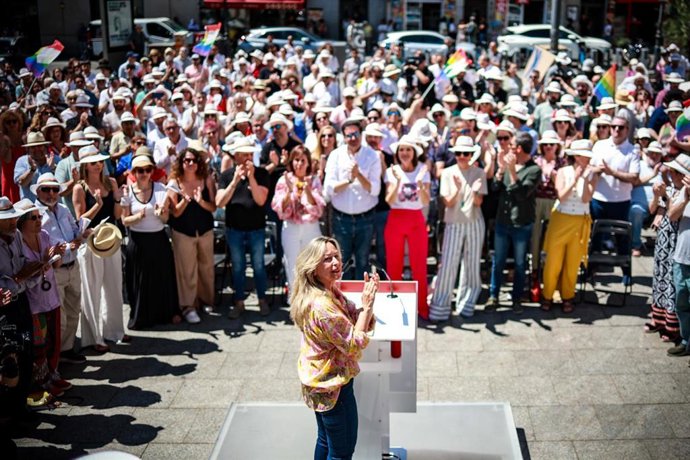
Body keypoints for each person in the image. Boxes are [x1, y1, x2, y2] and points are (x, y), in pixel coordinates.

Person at [290, 236, 378, 460]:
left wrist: (365, 310)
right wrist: (367, 307)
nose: (336, 263)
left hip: (320, 381)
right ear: (313, 267)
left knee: (325, 440)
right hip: (333, 386)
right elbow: (353, 345)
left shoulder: (325, 291)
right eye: (327, 259)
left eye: (336, 256)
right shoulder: (322, 306)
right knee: (342, 452)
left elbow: (351, 317)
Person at [72, 145, 125, 353]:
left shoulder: (110, 182)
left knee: (114, 286)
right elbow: (80, 221)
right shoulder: (79, 188)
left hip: (111, 239)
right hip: (91, 243)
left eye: (100, 161)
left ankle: (115, 331)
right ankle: (95, 337)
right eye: (94, 162)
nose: (99, 165)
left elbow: (118, 214)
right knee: (92, 290)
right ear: (86, 165)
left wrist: (118, 198)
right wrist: (97, 204)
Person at [429, 136, 487, 321]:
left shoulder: (479, 173)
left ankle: (467, 304)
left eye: (466, 153)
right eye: (459, 153)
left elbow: (478, 203)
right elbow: (447, 201)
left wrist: (475, 190)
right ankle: (440, 306)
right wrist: (458, 188)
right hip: (453, 222)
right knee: (448, 264)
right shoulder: (447, 173)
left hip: (474, 222)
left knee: (471, 263)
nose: (462, 156)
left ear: (471, 154)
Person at [16, 199, 70, 399]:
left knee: (53, 340)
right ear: (22, 221)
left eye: (39, 216)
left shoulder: (45, 236)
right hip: (34, 302)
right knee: (38, 345)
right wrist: (44, 262)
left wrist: (58, 255)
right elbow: (22, 273)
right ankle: (41, 382)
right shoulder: (18, 243)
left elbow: (55, 266)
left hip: (51, 297)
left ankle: (52, 375)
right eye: (34, 218)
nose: (39, 220)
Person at [121, 155, 180, 329]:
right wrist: (139, 216)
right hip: (138, 241)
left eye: (148, 170)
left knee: (161, 278)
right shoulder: (128, 191)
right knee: (139, 281)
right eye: (140, 170)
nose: (144, 173)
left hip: (158, 239)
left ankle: (166, 314)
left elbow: (165, 219)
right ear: (134, 173)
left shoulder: (161, 189)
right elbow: (124, 220)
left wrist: (161, 212)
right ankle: (140, 316)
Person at [0, 197, 46, 421]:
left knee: (27, 349)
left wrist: (33, 271)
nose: (12, 223)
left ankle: (21, 407)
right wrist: (18, 279)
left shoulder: (16, 235)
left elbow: (21, 271)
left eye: (13, 218)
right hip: (3, 310)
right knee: (10, 361)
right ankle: (9, 411)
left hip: (20, 303)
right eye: (6, 220)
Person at [33, 173, 86, 364]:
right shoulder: (34, 213)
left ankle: (67, 349)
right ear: (38, 192)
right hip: (55, 270)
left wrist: (80, 236)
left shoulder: (63, 209)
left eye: (55, 189)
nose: (51, 193)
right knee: (59, 316)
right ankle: (54, 357)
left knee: (73, 310)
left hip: (72, 265)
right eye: (46, 189)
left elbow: (74, 231)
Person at [541, 140, 599, 313]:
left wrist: (586, 179)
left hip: (579, 221)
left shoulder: (592, 175)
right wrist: (574, 179)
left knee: (572, 263)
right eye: (584, 156)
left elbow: (586, 199)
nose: (587, 160)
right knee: (553, 262)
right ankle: (548, 295)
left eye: (589, 157)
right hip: (560, 220)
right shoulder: (562, 172)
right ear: (576, 156)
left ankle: (568, 296)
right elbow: (562, 196)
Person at [216, 138, 271, 319]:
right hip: (235, 229)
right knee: (238, 267)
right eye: (244, 154)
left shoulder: (262, 174)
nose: (248, 157)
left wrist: (252, 178)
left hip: (256, 228)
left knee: (258, 266)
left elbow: (260, 200)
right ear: (236, 156)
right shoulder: (226, 175)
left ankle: (262, 300)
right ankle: (239, 302)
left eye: (250, 153)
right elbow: (220, 202)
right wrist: (234, 180)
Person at [487, 132, 540, 313]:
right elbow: (495, 187)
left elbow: (521, 193)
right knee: (498, 261)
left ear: (519, 149)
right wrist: (501, 170)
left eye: (511, 146)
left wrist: (511, 170)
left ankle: (517, 298)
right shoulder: (509, 166)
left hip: (521, 223)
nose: (508, 148)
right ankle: (494, 296)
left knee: (519, 263)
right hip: (503, 221)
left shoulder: (534, 170)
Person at [324, 119, 381, 280]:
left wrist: (359, 176)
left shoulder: (372, 156)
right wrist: (349, 180)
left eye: (355, 134)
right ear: (343, 137)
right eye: (348, 135)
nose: (353, 138)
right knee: (341, 263)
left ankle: (362, 302)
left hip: (366, 219)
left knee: (363, 262)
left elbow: (375, 190)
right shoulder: (336, 155)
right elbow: (329, 188)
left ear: (361, 135)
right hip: (341, 219)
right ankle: (343, 302)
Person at [384, 135, 431, 319]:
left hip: (416, 220)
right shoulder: (392, 171)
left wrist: (420, 184)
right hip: (396, 218)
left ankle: (422, 308)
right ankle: (394, 308)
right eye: (401, 149)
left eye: (408, 150)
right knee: (394, 266)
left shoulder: (423, 170)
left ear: (414, 153)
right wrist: (396, 182)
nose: (404, 153)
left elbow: (426, 201)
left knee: (419, 265)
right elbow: (389, 200)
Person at [168, 147, 217, 322]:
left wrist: (200, 201)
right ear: (181, 163)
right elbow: (174, 212)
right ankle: (188, 306)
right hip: (183, 231)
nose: (190, 163)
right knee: (187, 270)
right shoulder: (175, 181)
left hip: (204, 230)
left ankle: (206, 301)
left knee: (206, 268)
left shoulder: (207, 179)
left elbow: (213, 206)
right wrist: (187, 199)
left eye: (193, 160)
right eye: (186, 160)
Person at [589, 116, 640, 286]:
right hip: (598, 199)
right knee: (595, 238)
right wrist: (599, 170)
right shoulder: (599, 145)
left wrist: (612, 173)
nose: (616, 130)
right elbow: (591, 167)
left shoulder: (633, 151)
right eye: (613, 127)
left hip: (621, 202)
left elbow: (634, 177)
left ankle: (626, 273)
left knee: (622, 239)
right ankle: (590, 271)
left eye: (621, 127)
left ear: (627, 130)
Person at [271, 146, 325, 292]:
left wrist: (307, 190)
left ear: (308, 162)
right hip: (291, 227)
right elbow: (279, 208)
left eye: (302, 160)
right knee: (292, 266)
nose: (299, 164)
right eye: (296, 160)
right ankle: (295, 304)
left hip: (311, 227)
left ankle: (313, 303)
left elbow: (319, 209)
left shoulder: (314, 180)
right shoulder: (284, 179)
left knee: (313, 265)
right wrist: (289, 191)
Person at [647, 153, 688, 343]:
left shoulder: (684, 193)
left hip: (676, 242)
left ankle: (672, 327)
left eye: (674, 171)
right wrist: (657, 196)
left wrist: (665, 196)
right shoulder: (670, 189)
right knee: (660, 279)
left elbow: (674, 215)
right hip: (663, 241)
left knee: (672, 283)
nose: (670, 174)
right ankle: (658, 319)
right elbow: (652, 210)